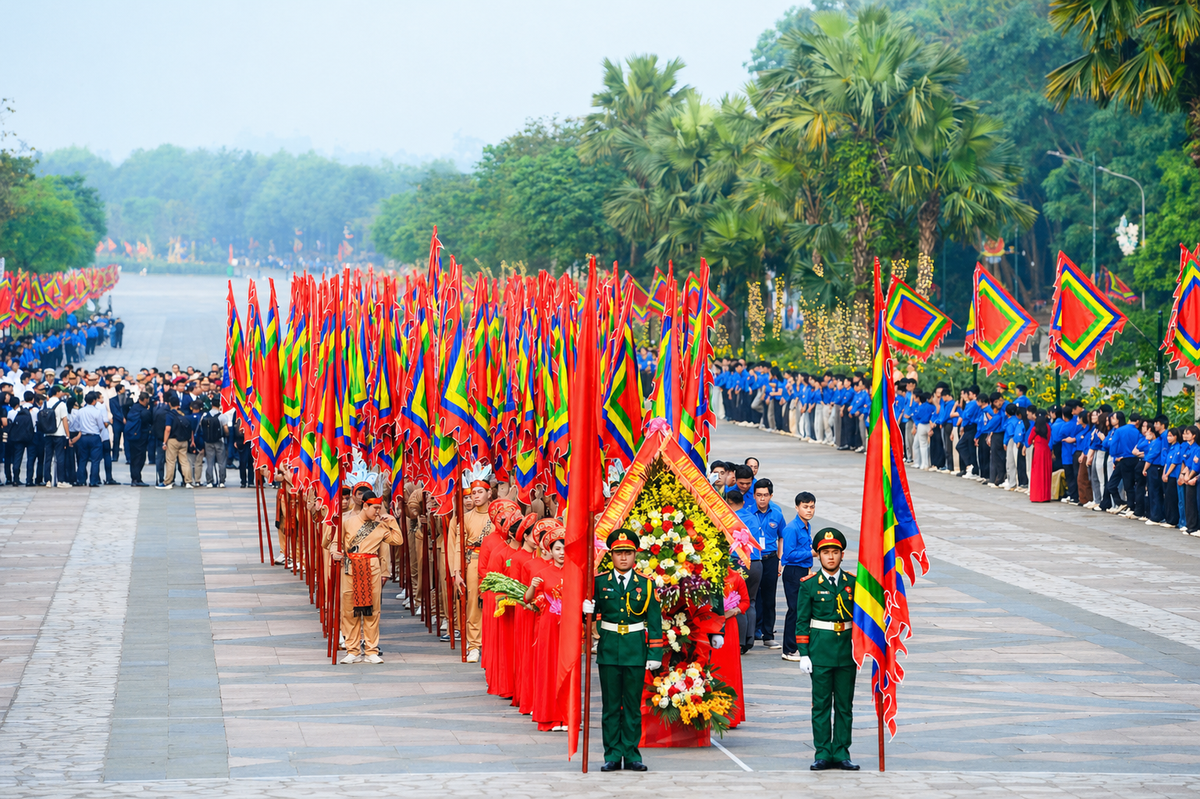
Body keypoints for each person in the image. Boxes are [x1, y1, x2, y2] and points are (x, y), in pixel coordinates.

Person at [581, 529, 664, 773]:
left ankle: (631, 752)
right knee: (609, 707)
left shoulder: (646, 585)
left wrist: (655, 654)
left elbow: (655, 622)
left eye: (628, 553)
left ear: (635, 555)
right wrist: (585, 610)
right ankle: (613, 754)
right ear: (611, 556)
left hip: (635, 650)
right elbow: (590, 618)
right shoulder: (598, 583)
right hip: (608, 649)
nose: (624, 558)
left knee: (631, 706)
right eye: (619, 553)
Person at [795, 527, 859, 771]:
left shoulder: (853, 582)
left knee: (844, 705)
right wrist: (804, 654)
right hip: (820, 652)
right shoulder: (809, 585)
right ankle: (822, 752)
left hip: (847, 653)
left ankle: (841, 751)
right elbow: (801, 620)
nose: (830, 557)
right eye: (825, 552)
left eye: (835, 552)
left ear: (842, 555)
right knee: (821, 705)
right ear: (817, 555)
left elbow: (863, 620)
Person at [329, 491, 406, 663]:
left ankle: (371, 649)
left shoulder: (380, 525)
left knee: (372, 610)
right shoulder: (347, 523)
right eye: (375, 508)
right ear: (365, 505)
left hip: (371, 569)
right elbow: (336, 542)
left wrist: (392, 521)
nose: (378, 512)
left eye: (380, 508)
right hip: (350, 568)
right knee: (349, 611)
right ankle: (353, 649)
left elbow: (397, 540)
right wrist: (335, 552)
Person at [447, 462, 494, 664]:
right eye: (473, 492)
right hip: (473, 563)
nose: (475, 496)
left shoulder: (498, 515)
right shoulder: (464, 518)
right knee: (473, 605)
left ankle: (492, 643)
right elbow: (458, 545)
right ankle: (473, 644)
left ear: (489, 493)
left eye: (479, 492)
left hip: (494, 565)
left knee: (493, 604)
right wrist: (457, 571)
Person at [526, 519, 567, 731]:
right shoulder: (542, 573)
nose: (561, 552)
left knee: (568, 670)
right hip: (548, 627)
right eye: (557, 549)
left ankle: (567, 717)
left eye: (565, 549)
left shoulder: (575, 573)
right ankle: (549, 716)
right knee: (548, 669)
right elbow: (528, 599)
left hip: (568, 628)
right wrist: (533, 588)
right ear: (550, 550)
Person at [708, 565, 749, 728]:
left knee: (729, 668)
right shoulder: (706, 576)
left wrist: (733, 611)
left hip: (730, 627)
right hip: (710, 624)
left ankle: (729, 713)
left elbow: (746, 601)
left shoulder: (736, 577)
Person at [750, 478, 785, 649]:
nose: (762, 499)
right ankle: (751, 632)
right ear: (754, 496)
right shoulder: (748, 513)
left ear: (771, 496)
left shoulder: (777, 514)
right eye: (759, 495)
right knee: (752, 597)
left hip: (770, 558)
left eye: (765, 495)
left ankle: (768, 635)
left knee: (769, 597)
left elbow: (782, 537)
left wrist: (780, 559)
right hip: (753, 559)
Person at [40, 385, 71, 488]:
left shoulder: (45, 403)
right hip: (59, 434)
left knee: (47, 458)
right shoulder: (61, 404)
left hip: (47, 434)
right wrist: (68, 434)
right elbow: (64, 420)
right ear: (57, 393)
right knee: (60, 457)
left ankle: (47, 480)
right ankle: (60, 481)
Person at [124, 392, 152, 486]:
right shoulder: (143, 410)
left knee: (134, 458)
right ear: (144, 400)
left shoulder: (133, 408)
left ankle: (135, 478)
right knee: (140, 458)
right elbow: (148, 420)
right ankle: (136, 479)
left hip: (132, 436)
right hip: (140, 436)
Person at [1028, 412, 1052, 503]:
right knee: (1046, 472)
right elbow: (1048, 438)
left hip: (1038, 452)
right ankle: (1045, 496)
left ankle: (1037, 496)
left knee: (1037, 473)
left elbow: (1029, 440)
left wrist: (1034, 441)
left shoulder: (1035, 429)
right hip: (1046, 450)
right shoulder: (1048, 427)